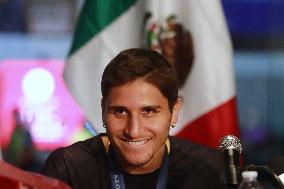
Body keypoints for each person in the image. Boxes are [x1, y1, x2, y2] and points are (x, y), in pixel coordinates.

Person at [42, 48, 224, 189]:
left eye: (149, 111)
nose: (133, 130)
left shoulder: (209, 169)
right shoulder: (68, 168)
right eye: (120, 112)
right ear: (103, 110)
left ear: (174, 111)